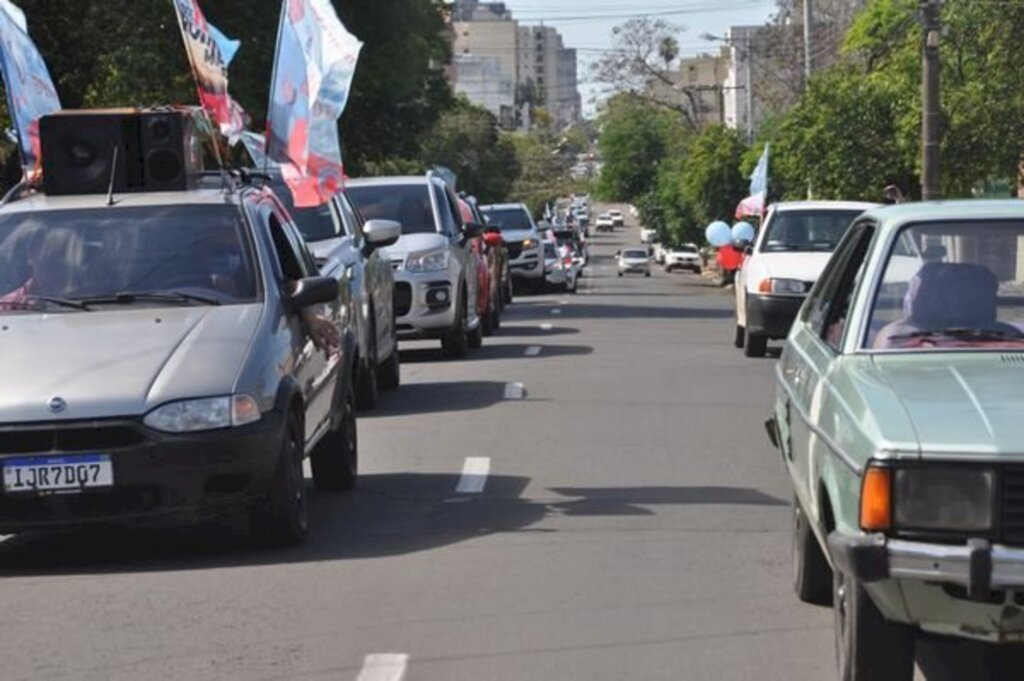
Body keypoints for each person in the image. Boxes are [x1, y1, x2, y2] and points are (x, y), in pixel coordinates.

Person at [0, 226, 83, 308]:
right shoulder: (7, 307)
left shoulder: (91, 297)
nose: (56, 273)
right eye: (50, 264)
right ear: (31, 256)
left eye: (66, 266)